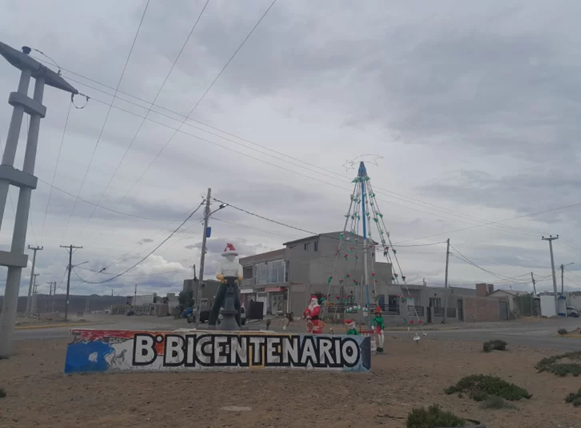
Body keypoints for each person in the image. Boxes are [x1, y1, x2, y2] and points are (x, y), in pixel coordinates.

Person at [209, 243, 243, 327]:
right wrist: (223, 277)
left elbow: (240, 276)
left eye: (233, 255)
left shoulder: (238, 265)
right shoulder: (221, 265)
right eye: (230, 255)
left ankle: (238, 324)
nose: (232, 257)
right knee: (217, 302)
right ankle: (211, 324)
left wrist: (237, 278)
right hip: (223, 284)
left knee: (237, 304)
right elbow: (218, 274)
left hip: (234, 285)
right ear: (226, 255)